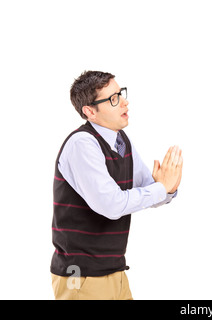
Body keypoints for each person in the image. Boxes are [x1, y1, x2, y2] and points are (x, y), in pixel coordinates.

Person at [51, 71, 183, 300]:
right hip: (81, 276)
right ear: (89, 111)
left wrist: (168, 188)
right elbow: (111, 205)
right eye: (113, 99)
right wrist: (160, 188)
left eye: (121, 93)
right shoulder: (82, 144)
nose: (124, 102)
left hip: (114, 270)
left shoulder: (121, 140)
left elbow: (149, 188)